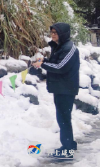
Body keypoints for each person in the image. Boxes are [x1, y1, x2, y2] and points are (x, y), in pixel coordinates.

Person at [33, 22, 80, 159]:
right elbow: (56, 62)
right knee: (63, 118)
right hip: (60, 87)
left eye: (56, 33)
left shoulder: (69, 48)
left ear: (63, 34)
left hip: (66, 88)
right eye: (52, 32)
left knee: (64, 119)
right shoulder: (60, 46)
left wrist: (43, 64)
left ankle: (67, 150)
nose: (53, 35)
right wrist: (45, 61)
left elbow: (60, 67)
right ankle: (69, 144)